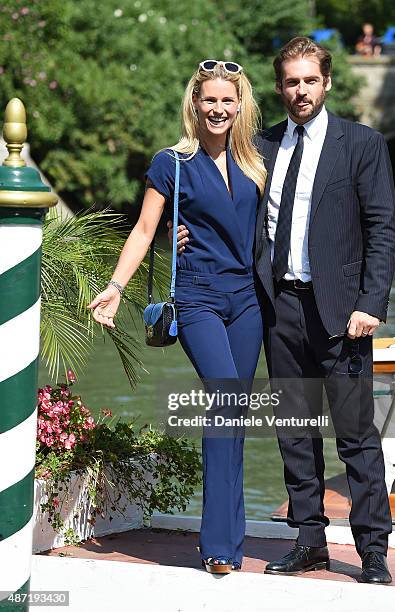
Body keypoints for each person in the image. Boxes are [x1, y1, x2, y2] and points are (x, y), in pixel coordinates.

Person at [175, 37, 395, 584]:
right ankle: (310, 540)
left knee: (355, 435)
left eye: (309, 81)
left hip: (344, 312)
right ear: (279, 88)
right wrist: (189, 236)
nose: (300, 91)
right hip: (279, 308)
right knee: (295, 432)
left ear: (326, 84)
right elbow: (230, 209)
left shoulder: (361, 144)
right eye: (291, 82)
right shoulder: (262, 147)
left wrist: (371, 303)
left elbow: (382, 229)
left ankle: (371, 549)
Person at [87, 60, 267, 574]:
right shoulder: (173, 163)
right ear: (195, 103)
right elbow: (145, 228)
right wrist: (116, 287)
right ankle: (216, 545)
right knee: (225, 396)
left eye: (227, 100)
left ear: (240, 105)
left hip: (246, 301)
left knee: (234, 413)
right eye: (209, 99)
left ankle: (233, 543)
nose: (218, 108)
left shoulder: (255, 161)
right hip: (197, 299)